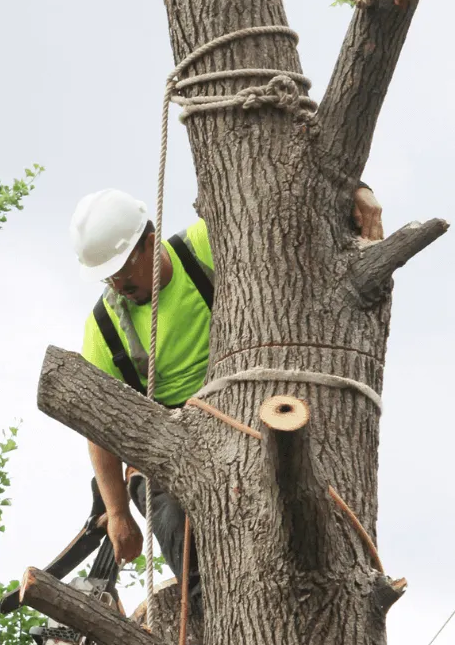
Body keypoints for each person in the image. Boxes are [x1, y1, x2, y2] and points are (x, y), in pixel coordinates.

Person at [70, 186, 384, 607]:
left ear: (150, 242)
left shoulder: (204, 246)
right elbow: (99, 424)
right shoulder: (104, 326)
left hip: (241, 416)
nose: (118, 283)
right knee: (174, 517)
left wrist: (355, 191)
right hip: (167, 446)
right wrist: (119, 512)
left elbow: (285, 203)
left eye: (125, 270)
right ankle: (209, 614)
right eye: (109, 277)